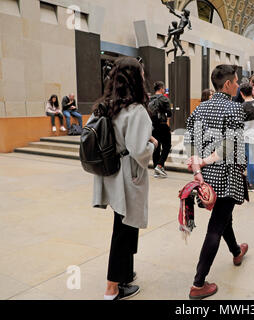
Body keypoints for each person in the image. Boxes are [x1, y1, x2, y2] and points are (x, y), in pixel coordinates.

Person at [90, 57, 158, 300]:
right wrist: (153, 145)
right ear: (134, 79)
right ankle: (112, 288)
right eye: (140, 74)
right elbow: (139, 150)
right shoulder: (136, 110)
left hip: (110, 173)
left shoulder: (105, 105)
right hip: (128, 176)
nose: (143, 78)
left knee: (125, 225)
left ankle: (125, 274)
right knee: (123, 229)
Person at [184, 64, 248, 300]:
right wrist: (205, 160)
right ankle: (198, 284)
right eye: (237, 80)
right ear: (229, 84)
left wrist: (198, 167)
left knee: (222, 219)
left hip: (206, 181)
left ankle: (236, 251)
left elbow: (189, 138)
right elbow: (230, 148)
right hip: (227, 177)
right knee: (216, 226)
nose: (239, 84)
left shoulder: (200, 109)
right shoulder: (234, 109)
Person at [240, 83, 254, 192]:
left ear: (241, 93)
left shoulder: (242, 107)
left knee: (247, 160)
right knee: (250, 159)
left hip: (246, 137)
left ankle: (250, 183)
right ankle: (249, 182)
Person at [149, 81, 172, 178]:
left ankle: (156, 171)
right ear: (161, 88)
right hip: (163, 125)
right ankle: (160, 165)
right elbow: (169, 114)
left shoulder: (149, 99)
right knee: (167, 146)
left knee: (156, 147)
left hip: (152, 126)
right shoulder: (164, 99)